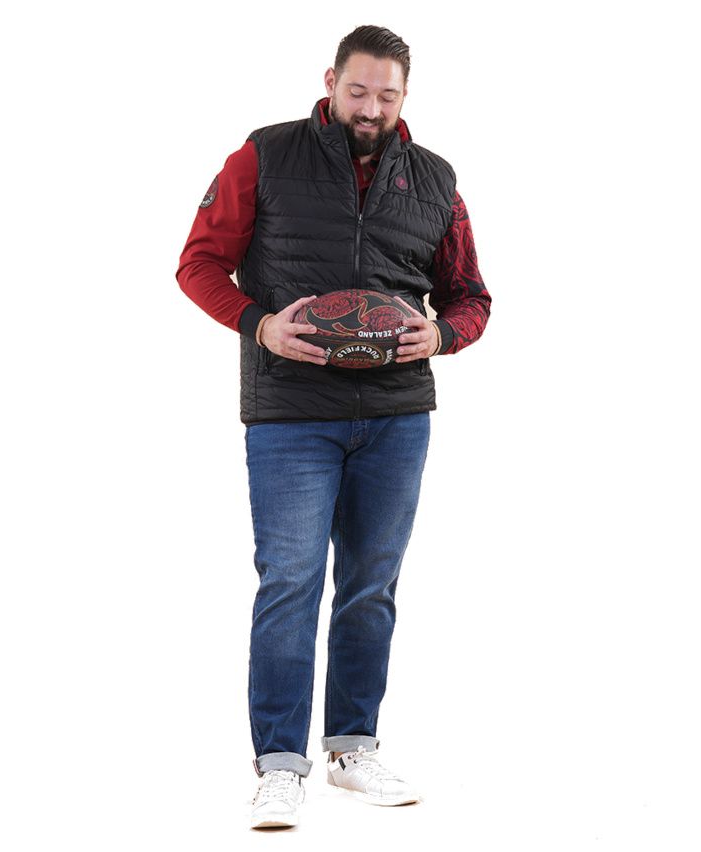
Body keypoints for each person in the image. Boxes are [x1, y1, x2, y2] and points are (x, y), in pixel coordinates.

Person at [175, 25, 492, 829]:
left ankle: (353, 749)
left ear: (404, 96)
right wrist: (260, 324)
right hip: (291, 413)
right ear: (330, 82)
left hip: (396, 415)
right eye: (358, 91)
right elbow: (198, 263)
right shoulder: (264, 155)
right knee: (290, 580)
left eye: (387, 95)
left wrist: (442, 336)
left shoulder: (434, 178)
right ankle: (281, 766)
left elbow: (471, 296)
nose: (371, 108)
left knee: (370, 585)